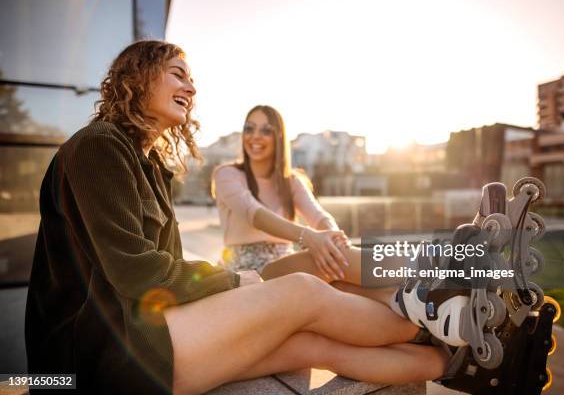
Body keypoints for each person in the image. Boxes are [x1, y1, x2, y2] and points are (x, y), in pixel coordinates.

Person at [25, 40, 447, 395]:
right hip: (98, 359)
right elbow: (137, 273)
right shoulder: (99, 146)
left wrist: (322, 234)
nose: (190, 87)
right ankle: (434, 310)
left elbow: (156, 275)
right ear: (138, 77)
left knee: (312, 345)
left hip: (139, 337)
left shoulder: (148, 163)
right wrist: (230, 280)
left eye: (191, 80)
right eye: (178, 74)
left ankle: (457, 357)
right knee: (303, 290)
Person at [212, 105, 350, 277]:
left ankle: (390, 296)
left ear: (279, 137)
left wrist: (333, 238)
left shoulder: (292, 181)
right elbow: (256, 215)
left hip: (286, 260)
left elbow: (318, 216)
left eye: (266, 131)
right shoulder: (226, 175)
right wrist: (309, 237)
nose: (255, 136)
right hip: (246, 269)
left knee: (340, 264)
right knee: (331, 263)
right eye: (250, 129)